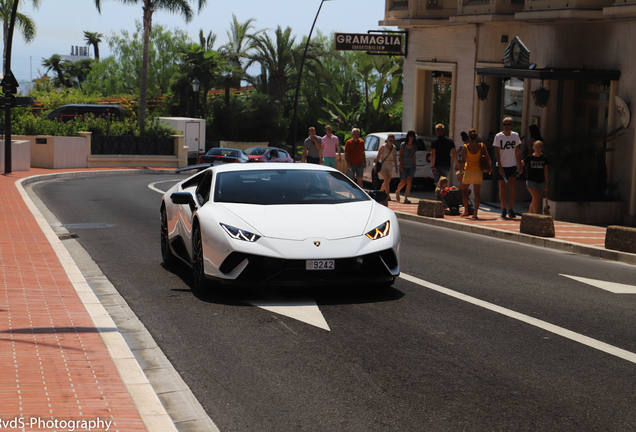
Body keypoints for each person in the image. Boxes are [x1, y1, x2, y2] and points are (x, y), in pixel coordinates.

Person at [458, 128, 492, 220]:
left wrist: (460, 173)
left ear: (468, 136)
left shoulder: (465, 146)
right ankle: (475, 213)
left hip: (468, 171)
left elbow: (463, 161)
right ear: (477, 136)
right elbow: (488, 158)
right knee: (477, 193)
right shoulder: (481, 145)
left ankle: (466, 211)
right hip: (478, 171)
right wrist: (490, 168)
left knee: (464, 191)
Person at [493, 117, 522, 219]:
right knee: (502, 187)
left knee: (512, 187)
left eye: (508, 124)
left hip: (512, 164)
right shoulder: (498, 136)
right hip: (502, 165)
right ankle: (504, 209)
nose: (506, 126)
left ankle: (511, 209)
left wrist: (519, 164)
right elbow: (497, 152)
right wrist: (500, 166)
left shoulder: (515, 136)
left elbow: (517, 150)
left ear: (512, 125)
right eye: (504, 124)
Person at [522, 140, 549, 214]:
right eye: (536, 147)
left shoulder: (544, 158)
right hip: (531, 180)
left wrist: (546, 183)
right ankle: (536, 215)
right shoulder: (529, 157)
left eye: (539, 147)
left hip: (540, 181)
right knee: (536, 197)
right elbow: (521, 163)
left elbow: (546, 171)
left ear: (542, 148)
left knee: (535, 199)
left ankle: (529, 214)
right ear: (533, 148)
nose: (538, 148)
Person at [395, 130, 417, 204]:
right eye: (410, 136)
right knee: (403, 182)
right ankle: (398, 191)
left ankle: (406, 198)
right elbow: (400, 156)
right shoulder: (403, 145)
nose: (412, 138)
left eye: (413, 136)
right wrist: (401, 165)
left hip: (411, 165)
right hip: (403, 165)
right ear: (408, 136)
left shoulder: (414, 146)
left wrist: (415, 165)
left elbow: (414, 156)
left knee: (409, 182)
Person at [375, 135, 398, 200]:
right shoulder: (383, 147)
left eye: (393, 141)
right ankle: (387, 195)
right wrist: (376, 165)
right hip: (383, 165)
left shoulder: (394, 148)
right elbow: (378, 156)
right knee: (386, 179)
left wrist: (396, 167)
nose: (391, 142)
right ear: (387, 139)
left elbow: (394, 158)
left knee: (387, 182)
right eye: (390, 140)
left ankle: (380, 192)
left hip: (390, 165)